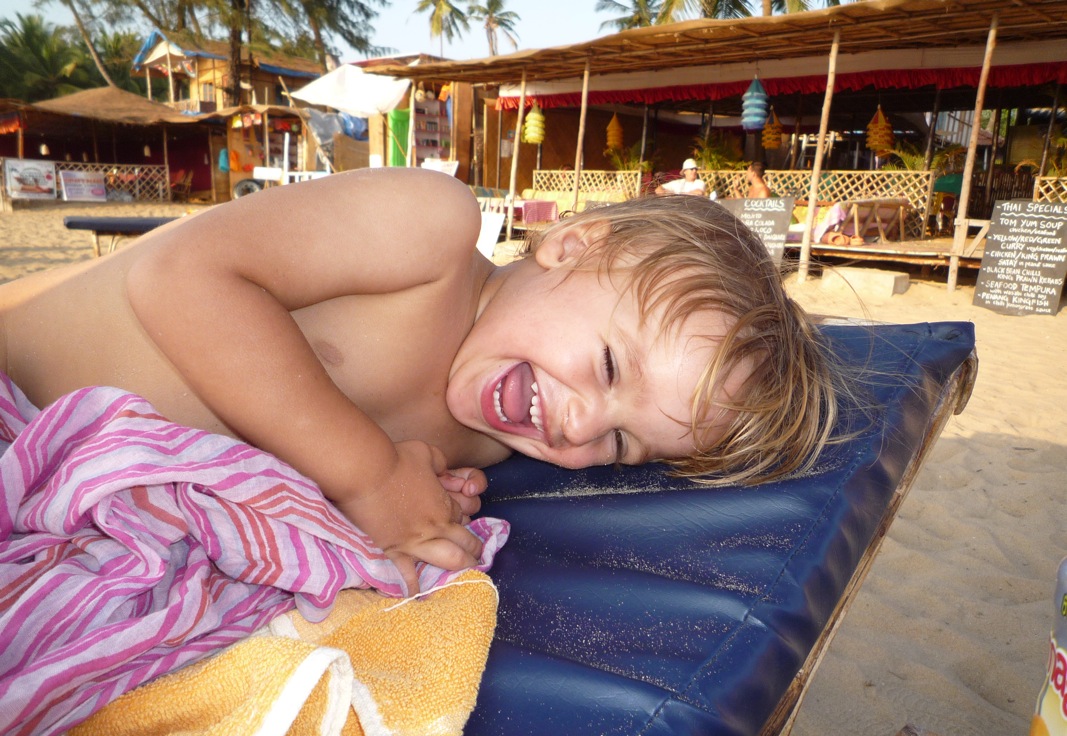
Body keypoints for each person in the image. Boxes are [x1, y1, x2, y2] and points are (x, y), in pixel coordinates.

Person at [0, 168, 839, 592]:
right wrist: (367, 474)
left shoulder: (483, 444)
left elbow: (300, 439)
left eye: (621, 441)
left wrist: (414, 497)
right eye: (611, 366)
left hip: (70, 467)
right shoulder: (426, 231)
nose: (581, 425)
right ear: (572, 246)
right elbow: (182, 277)